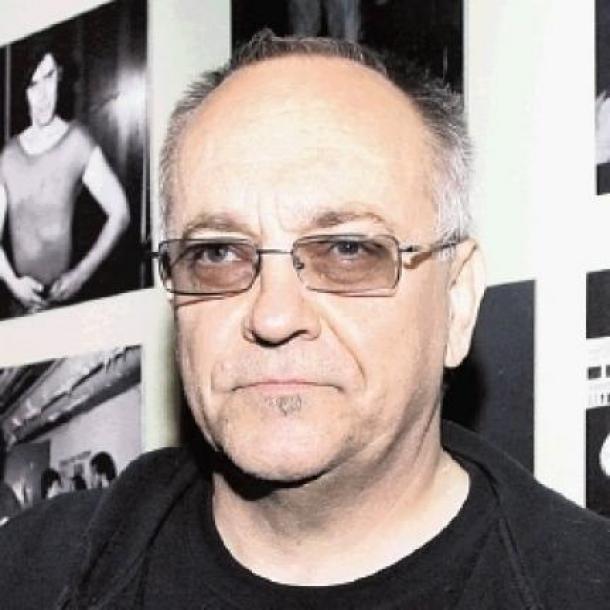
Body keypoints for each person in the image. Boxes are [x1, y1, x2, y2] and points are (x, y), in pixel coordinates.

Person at [1, 30, 610, 609]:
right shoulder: (29, 573)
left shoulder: (583, 584)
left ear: (457, 300)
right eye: (218, 254)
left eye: (347, 250)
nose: (273, 316)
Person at [0, 45, 130, 316]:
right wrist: (14, 285)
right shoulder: (8, 156)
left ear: (59, 77)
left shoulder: (77, 142)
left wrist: (80, 275)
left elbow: (120, 213)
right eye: (33, 84)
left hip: (66, 306)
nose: (43, 94)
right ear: (24, 91)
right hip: (19, 307)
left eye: (48, 77)